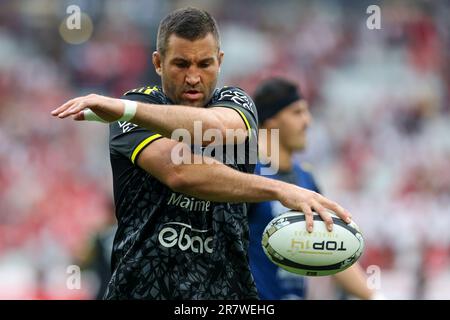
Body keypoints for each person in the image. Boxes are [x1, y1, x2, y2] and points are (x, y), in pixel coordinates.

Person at [51, 7, 352, 299]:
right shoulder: (133, 111)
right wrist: (277, 189)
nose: (193, 77)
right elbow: (181, 173)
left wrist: (125, 110)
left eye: (204, 64)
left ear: (220, 61)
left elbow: (218, 129)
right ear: (158, 62)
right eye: (181, 64)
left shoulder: (237, 102)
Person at [249, 77, 378, 300]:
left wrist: (375, 297)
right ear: (270, 119)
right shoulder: (248, 174)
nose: (307, 121)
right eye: (297, 112)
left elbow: (336, 253)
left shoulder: (306, 179)